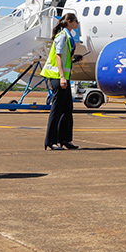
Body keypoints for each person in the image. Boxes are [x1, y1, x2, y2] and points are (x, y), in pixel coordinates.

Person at [41, 12, 80, 150]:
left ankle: (65, 139)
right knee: (57, 109)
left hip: (63, 77)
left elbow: (64, 58)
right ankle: (50, 141)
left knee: (67, 108)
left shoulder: (68, 36)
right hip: (58, 77)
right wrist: (62, 77)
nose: (77, 23)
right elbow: (58, 57)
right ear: (69, 21)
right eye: (76, 21)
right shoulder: (62, 36)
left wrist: (74, 59)